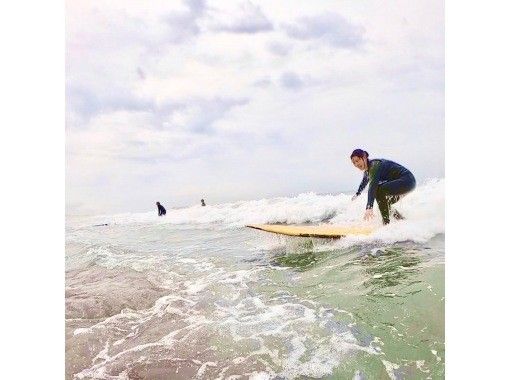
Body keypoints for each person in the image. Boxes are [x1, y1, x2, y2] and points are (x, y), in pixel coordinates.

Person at [350, 149, 415, 225]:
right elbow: (364, 182)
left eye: (357, 161)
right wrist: (358, 193)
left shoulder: (374, 165)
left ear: (364, 158)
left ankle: (386, 224)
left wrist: (369, 207)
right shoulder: (368, 171)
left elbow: (372, 185)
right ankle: (402, 221)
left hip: (406, 180)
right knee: (384, 202)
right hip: (405, 183)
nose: (356, 164)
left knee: (379, 191)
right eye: (354, 163)